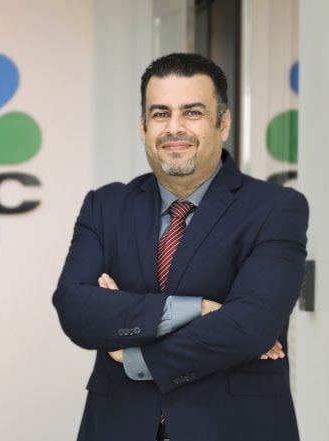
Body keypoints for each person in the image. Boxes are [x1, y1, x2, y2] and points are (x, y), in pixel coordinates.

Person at [52, 53, 308, 441]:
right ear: (143, 128)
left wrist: (133, 354)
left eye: (192, 113)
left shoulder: (276, 207)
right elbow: (75, 308)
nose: (174, 128)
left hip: (234, 428)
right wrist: (198, 308)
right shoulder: (104, 206)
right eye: (160, 114)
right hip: (118, 425)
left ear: (223, 123)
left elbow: (250, 327)